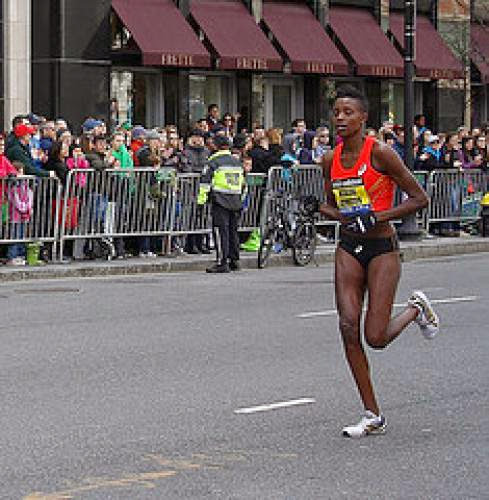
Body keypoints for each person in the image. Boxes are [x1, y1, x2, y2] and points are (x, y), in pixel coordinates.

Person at [319, 85, 439, 438]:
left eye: (348, 112)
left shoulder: (381, 153)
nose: (340, 118)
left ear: (363, 117)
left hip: (382, 247)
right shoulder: (330, 159)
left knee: (376, 337)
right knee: (346, 324)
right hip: (349, 247)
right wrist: (323, 210)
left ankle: (416, 309)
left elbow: (420, 198)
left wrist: (378, 215)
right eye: (336, 112)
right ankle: (372, 413)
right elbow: (332, 205)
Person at [198, 135, 245, 273]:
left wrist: (201, 202)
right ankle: (234, 260)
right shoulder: (236, 162)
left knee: (220, 231)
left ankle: (221, 262)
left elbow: (205, 184)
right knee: (233, 231)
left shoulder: (213, 161)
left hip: (220, 200)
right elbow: (243, 184)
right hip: (235, 200)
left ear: (216, 146)